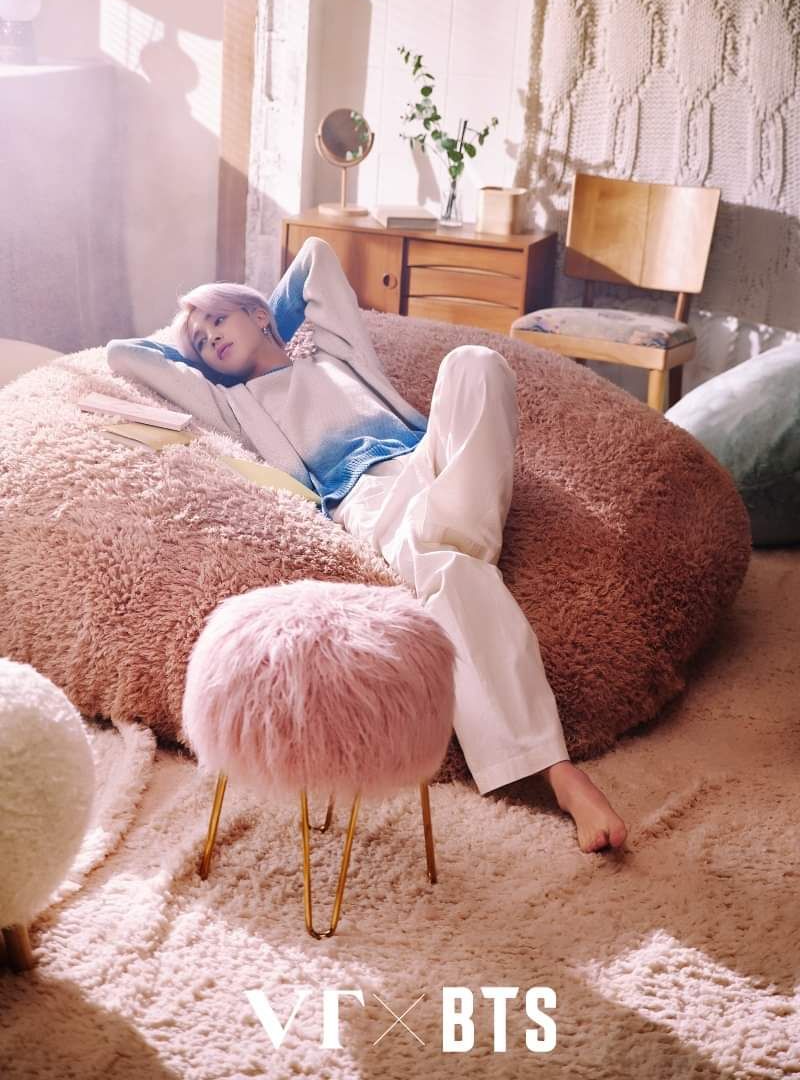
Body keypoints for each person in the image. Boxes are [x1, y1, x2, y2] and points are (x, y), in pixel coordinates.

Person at [107, 237, 627, 853]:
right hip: (369, 498)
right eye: (199, 341)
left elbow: (317, 259)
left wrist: (267, 318)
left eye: (218, 320)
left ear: (258, 313)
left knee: (475, 363)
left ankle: (456, 542)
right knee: (447, 568)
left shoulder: (335, 353)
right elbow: (125, 356)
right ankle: (559, 774)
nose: (209, 337)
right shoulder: (234, 403)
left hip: (432, 459)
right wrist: (189, 337)